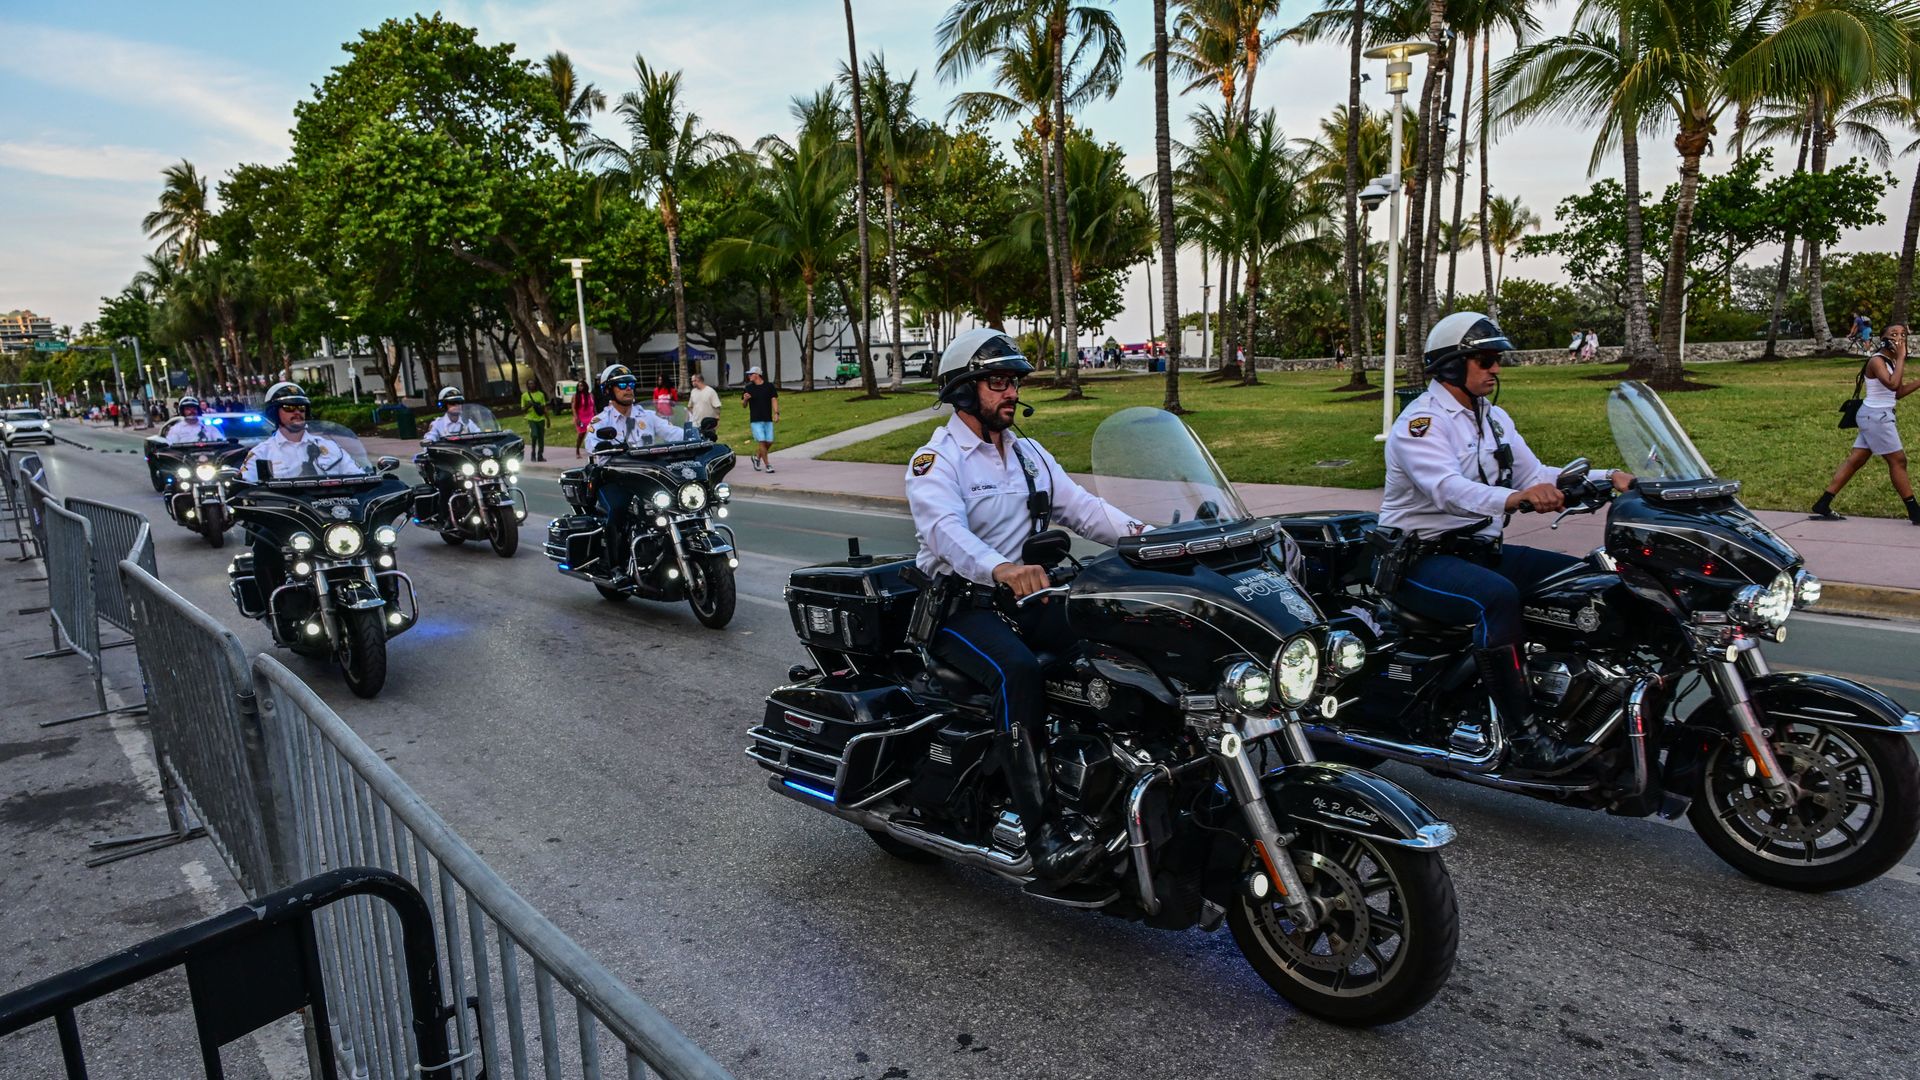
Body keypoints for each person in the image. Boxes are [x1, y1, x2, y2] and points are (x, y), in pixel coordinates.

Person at [907, 328, 1148, 883]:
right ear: (965, 391)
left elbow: (1087, 510)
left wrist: (1153, 540)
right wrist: (1000, 567)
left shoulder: (1029, 454)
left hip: (1028, 598)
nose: (1011, 392)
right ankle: (1044, 833)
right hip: (960, 607)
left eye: (1014, 382)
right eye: (998, 382)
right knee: (1017, 672)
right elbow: (944, 532)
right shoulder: (936, 460)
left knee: (1113, 639)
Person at [1380, 311, 1634, 774]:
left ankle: (1576, 701)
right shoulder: (1420, 424)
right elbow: (1448, 489)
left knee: (1584, 580)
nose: (1496, 369)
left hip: (1480, 551)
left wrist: (1609, 477)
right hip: (1421, 561)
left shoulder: (1493, 419)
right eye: (1485, 359)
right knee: (1496, 600)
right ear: (1453, 365)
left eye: (1496, 359)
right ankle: (1528, 739)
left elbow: (1535, 474)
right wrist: (1515, 499)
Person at [238, 382, 364, 587]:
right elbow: (243, 487)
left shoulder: (328, 447)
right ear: (274, 412)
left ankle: (390, 600)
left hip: (333, 514)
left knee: (380, 543)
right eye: (288, 408)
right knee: (263, 542)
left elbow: (357, 474)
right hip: (288, 519)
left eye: (301, 407)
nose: (296, 412)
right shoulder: (262, 453)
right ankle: (275, 609)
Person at [1813, 325, 1920, 524]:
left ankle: (1823, 503)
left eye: (1902, 335)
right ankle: (1915, 512)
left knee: (1856, 460)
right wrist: (1903, 357)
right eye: (1893, 335)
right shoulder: (1876, 360)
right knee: (1898, 461)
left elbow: (1896, 393)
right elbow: (1892, 384)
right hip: (1876, 417)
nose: (1899, 338)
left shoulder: (1891, 361)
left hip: (1875, 416)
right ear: (1883, 339)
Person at [584, 365, 683, 453]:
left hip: (647, 470)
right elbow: (590, 443)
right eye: (622, 385)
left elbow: (672, 432)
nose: (628, 388)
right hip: (616, 471)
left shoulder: (648, 416)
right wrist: (606, 448)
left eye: (631, 384)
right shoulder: (601, 421)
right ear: (607, 390)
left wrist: (692, 433)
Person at [740, 367, 779, 473]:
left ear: (757, 374)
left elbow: (774, 399)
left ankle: (757, 458)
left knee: (769, 441)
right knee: (762, 441)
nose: (749, 376)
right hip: (755, 419)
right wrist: (745, 399)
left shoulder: (769, 386)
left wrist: (776, 413)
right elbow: (744, 405)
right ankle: (768, 465)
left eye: (750, 374)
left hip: (767, 418)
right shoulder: (748, 387)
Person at [520, 378, 549, 462]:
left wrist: (548, 419)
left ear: (536, 385)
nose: (531, 385)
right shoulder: (524, 395)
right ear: (527, 385)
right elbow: (522, 410)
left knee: (541, 438)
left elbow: (544, 407)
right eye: (529, 384)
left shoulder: (541, 394)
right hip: (531, 418)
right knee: (534, 435)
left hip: (541, 418)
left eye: (533, 384)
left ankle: (540, 455)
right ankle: (533, 453)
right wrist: (529, 406)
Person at [687, 371, 722, 441]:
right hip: (695, 424)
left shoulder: (710, 391)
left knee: (709, 442)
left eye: (693, 381)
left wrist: (717, 420)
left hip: (708, 424)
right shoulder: (693, 392)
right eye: (692, 381)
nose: (692, 383)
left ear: (699, 380)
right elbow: (690, 406)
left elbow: (717, 407)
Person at [573, 377, 596, 459]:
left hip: (591, 417)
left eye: (582, 386)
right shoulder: (576, 396)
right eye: (579, 386)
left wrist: (596, 416)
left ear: (585, 386)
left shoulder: (590, 395)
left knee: (593, 434)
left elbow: (593, 407)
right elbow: (574, 408)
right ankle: (577, 450)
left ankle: (593, 451)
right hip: (581, 418)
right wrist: (577, 418)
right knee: (581, 435)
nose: (580, 387)